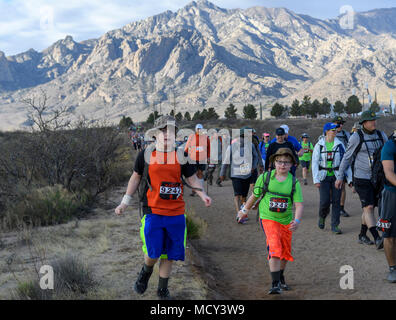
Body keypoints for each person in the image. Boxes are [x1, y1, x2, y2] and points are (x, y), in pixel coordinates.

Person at [114, 115, 212, 299]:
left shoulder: (182, 155)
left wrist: (202, 194)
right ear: (156, 134)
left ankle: (162, 289)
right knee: (153, 250)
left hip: (175, 212)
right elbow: (135, 177)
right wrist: (124, 202)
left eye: (171, 130)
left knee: (169, 253)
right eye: (163, 130)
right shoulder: (145, 155)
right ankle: (146, 270)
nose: (167, 134)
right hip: (152, 210)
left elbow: (191, 178)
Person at [237, 148, 303, 294]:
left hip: (286, 220)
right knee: (274, 246)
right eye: (279, 162)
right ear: (274, 162)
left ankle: (280, 277)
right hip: (268, 218)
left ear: (292, 164)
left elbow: (298, 204)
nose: (282, 165)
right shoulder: (265, 177)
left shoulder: (294, 182)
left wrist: (297, 220)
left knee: (285, 252)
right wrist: (243, 211)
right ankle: (275, 284)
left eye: (286, 162)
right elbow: (254, 196)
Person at [336, 110, 387, 248]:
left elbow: (389, 152)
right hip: (361, 177)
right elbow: (347, 157)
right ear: (364, 123)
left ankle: (362, 235)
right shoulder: (356, 137)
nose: (374, 122)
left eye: (375, 120)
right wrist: (340, 177)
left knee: (368, 208)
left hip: (377, 178)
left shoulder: (381, 135)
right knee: (369, 207)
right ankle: (377, 238)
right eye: (371, 121)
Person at [312, 123, 352, 234]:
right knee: (324, 201)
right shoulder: (319, 145)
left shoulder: (340, 145)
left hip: (336, 176)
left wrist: (349, 179)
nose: (335, 132)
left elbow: (345, 162)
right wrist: (316, 179)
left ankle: (335, 225)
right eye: (333, 130)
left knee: (336, 201)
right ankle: (322, 216)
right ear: (326, 131)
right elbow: (314, 163)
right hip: (323, 177)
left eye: (336, 130)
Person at [219, 128, 258, 223]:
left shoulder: (251, 146)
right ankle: (239, 214)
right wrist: (222, 173)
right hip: (235, 174)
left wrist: (253, 166)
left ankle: (243, 211)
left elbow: (255, 156)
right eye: (242, 137)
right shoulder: (231, 147)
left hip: (247, 174)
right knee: (237, 195)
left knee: (244, 196)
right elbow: (226, 161)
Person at [380, 133, 396, 282]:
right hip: (392, 194)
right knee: (389, 234)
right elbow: (389, 172)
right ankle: (392, 268)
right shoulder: (390, 146)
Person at [185, 124, 211, 196]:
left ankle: (200, 189)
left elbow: (209, 148)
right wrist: (184, 155)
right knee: (193, 174)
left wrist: (208, 157)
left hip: (202, 158)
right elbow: (187, 147)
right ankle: (194, 189)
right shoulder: (191, 137)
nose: (199, 130)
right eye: (198, 129)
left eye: (200, 129)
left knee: (200, 173)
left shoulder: (206, 138)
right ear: (195, 129)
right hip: (193, 158)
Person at [333, 116, 351, 217]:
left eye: (341, 123)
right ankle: (333, 206)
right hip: (331, 166)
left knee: (342, 186)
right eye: (338, 123)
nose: (340, 125)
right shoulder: (328, 134)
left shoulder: (346, 134)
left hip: (342, 164)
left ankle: (341, 208)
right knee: (332, 188)